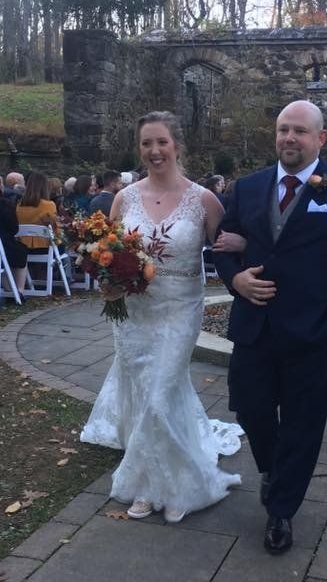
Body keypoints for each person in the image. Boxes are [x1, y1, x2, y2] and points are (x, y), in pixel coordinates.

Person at [213, 100, 327, 554]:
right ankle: (274, 468)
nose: (289, 138)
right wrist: (236, 279)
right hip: (254, 328)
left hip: (312, 332)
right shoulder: (249, 187)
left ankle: (281, 510)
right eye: (283, 129)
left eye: (300, 131)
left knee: (303, 425)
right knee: (249, 409)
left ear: (320, 138)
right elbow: (224, 246)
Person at [80, 111, 243, 524]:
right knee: (148, 397)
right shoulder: (124, 198)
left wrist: (244, 241)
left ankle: (182, 484)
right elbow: (108, 252)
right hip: (133, 313)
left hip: (180, 309)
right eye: (146, 144)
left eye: (161, 142)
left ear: (177, 145)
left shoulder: (203, 199)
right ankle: (155, 484)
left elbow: (228, 250)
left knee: (159, 396)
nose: (154, 151)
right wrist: (107, 281)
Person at [16, 172, 59, 251]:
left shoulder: (19, 206)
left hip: (22, 248)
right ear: (45, 187)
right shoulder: (49, 205)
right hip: (44, 248)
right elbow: (54, 229)